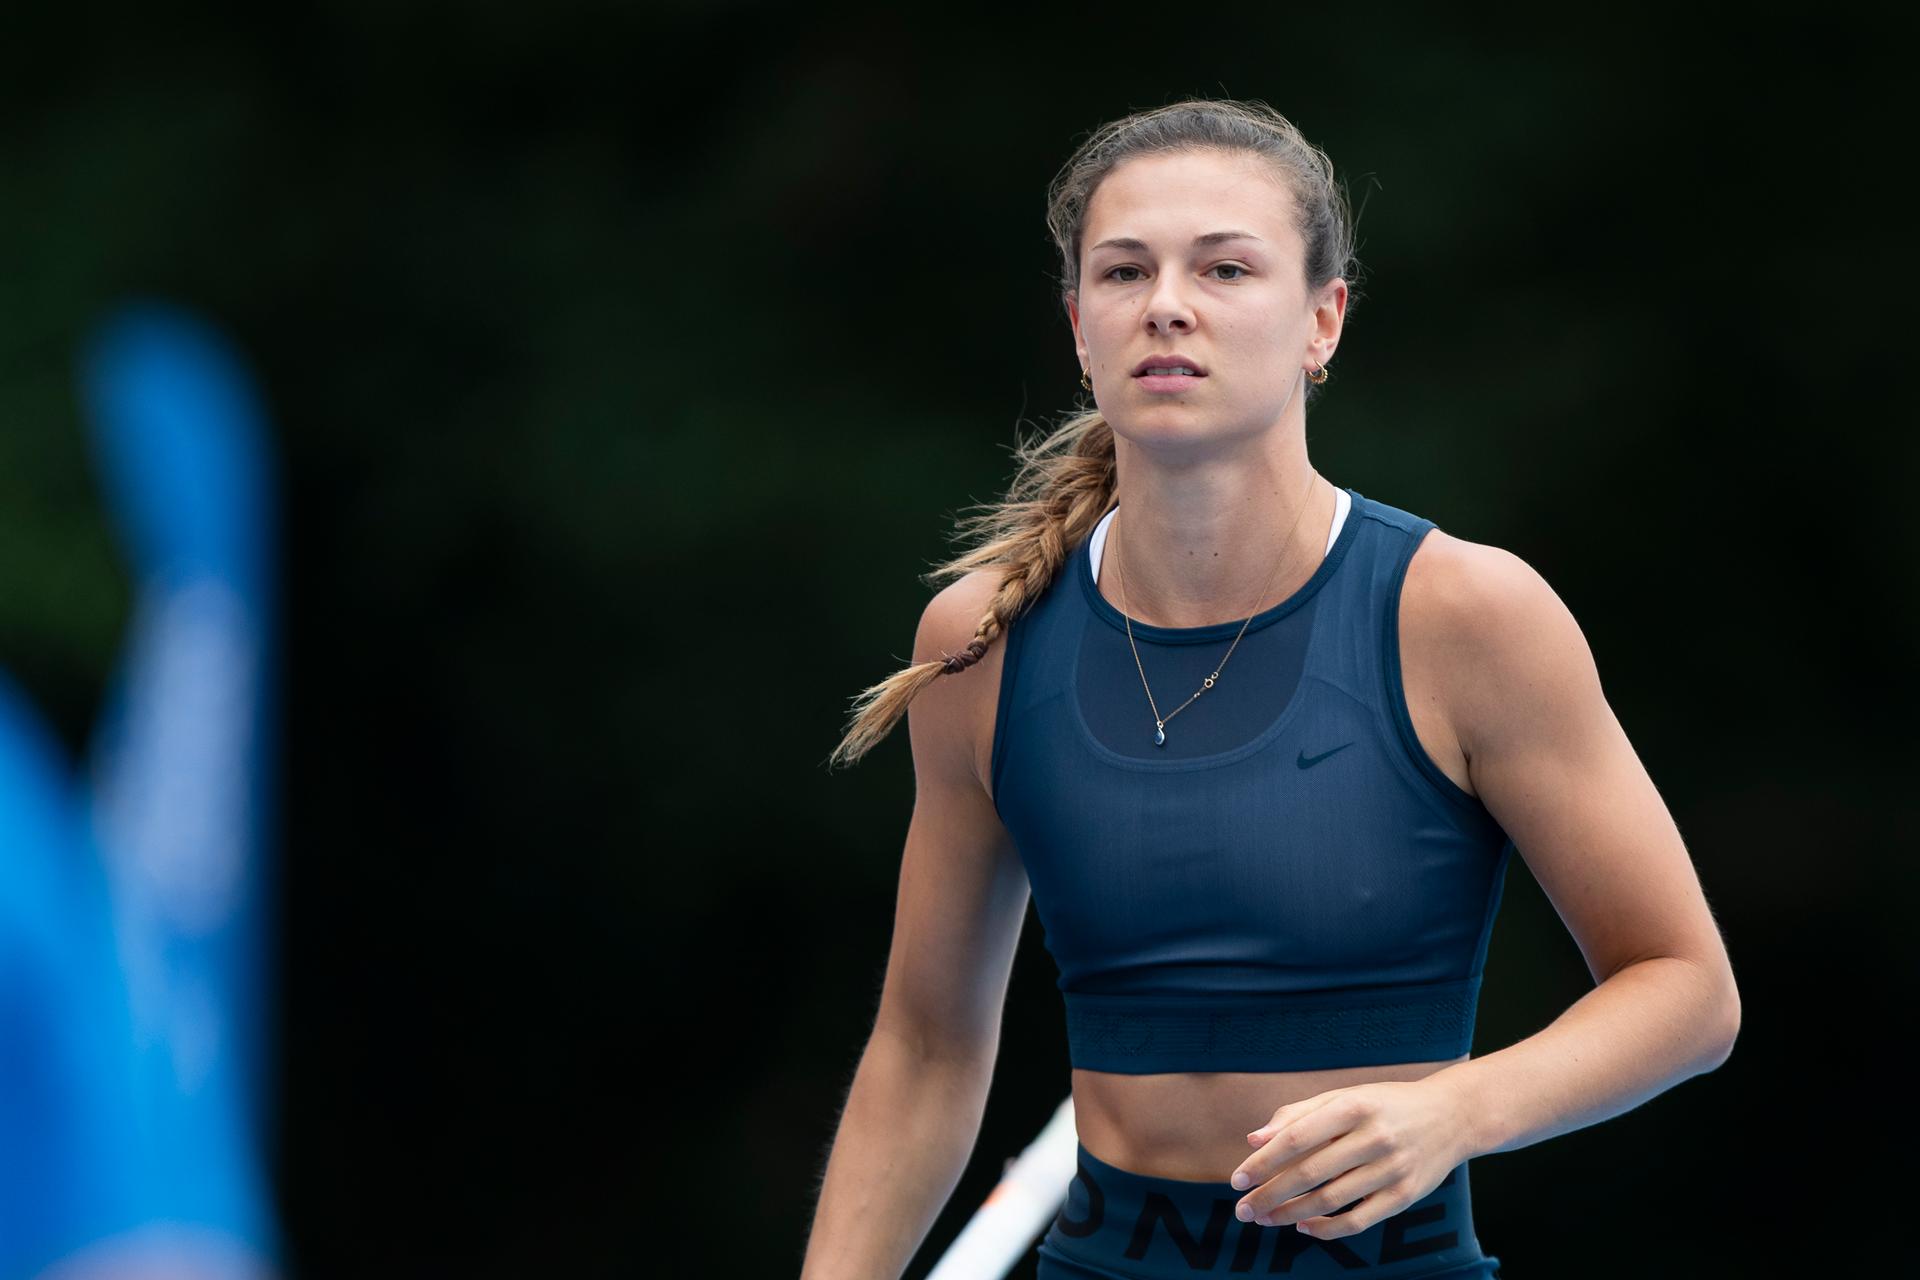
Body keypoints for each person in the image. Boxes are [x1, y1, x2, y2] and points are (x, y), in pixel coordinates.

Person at [805, 98, 1740, 1280]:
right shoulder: (986, 639)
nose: (1168, 304)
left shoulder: (1464, 615)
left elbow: (1687, 989)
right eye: (1125, 270)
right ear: (1080, 328)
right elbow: (928, 1045)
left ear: (1322, 321)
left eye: (1227, 267)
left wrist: (1455, 1108)